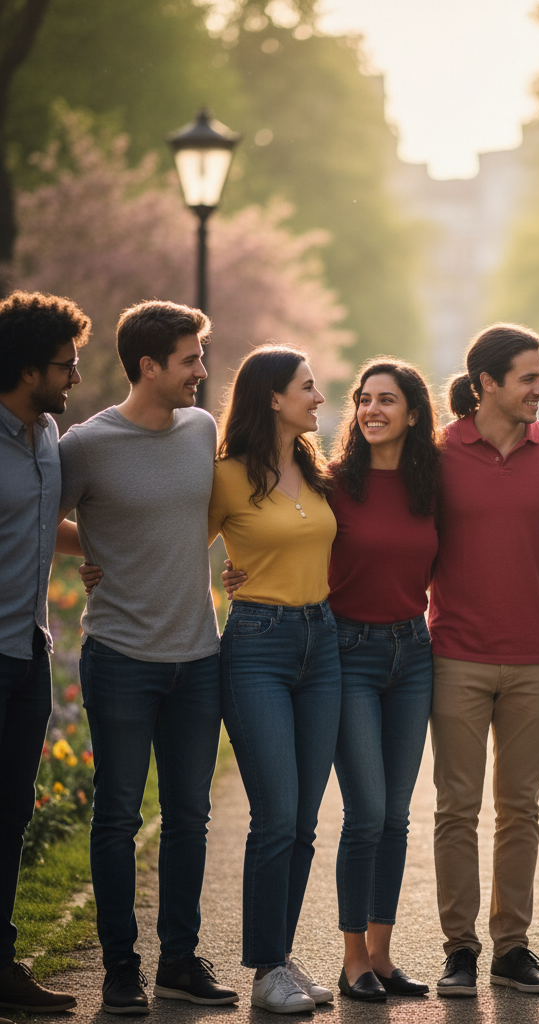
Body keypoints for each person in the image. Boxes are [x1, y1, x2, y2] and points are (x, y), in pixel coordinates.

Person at [59, 300, 237, 1014]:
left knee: (190, 817)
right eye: (191, 359)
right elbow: (43, 512)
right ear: (149, 366)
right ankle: (120, 969)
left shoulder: (202, 429)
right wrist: (89, 551)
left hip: (198, 657)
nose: (201, 371)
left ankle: (179, 962)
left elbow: (216, 517)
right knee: (118, 818)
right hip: (122, 659)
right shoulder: (87, 444)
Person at [430, 323, 539, 997]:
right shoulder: (437, 451)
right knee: (456, 806)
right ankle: (459, 948)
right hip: (454, 653)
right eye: (529, 378)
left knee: (521, 807)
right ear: (486, 383)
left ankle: (511, 948)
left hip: (535, 656)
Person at [209, 345, 342, 1013]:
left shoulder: (316, 472)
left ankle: (282, 959)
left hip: (323, 647)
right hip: (257, 645)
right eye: (308, 388)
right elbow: (175, 549)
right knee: (276, 816)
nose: (319, 398)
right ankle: (264, 971)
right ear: (273, 398)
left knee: (306, 821)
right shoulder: (225, 476)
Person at [329, 358, 441, 1001]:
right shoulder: (335, 483)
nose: (372, 409)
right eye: (364, 399)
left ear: (414, 413)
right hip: (348, 653)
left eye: (387, 400)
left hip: (413, 651)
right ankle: (351, 960)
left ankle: (381, 954)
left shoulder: (431, 487)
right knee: (366, 810)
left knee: (396, 815)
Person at [0, 291, 89, 1016]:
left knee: (10, 812)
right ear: (27, 367)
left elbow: (41, 523)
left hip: (28, 649)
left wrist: (112, 550)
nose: (75, 380)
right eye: (66, 366)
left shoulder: (46, 433)